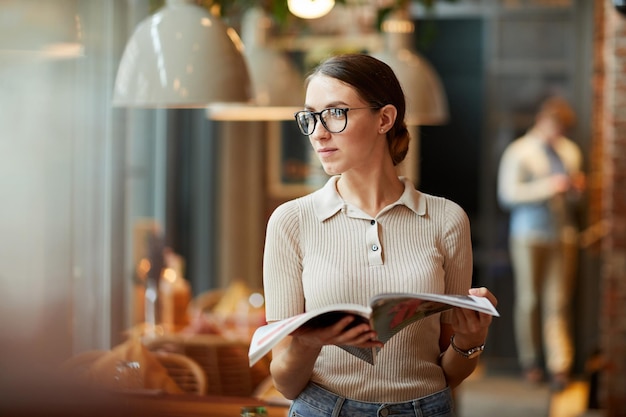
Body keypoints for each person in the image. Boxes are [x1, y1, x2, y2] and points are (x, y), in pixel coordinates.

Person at [262, 53, 497, 417]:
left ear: (384, 119)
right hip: (323, 408)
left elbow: (449, 374)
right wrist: (308, 343)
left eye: (336, 113)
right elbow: (286, 383)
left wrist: (470, 341)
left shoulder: (447, 219)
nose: (319, 132)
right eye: (310, 117)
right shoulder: (290, 222)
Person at [497, 96, 585, 390]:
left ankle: (560, 365)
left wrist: (574, 190)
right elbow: (507, 195)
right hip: (528, 235)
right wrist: (549, 187)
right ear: (542, 121)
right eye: (555, 127)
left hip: (562, 234)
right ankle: (531, 360)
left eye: (563, 129)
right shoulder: (520, 151)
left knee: (557, 303)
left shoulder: (570, 152)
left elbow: (574, 202)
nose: (558, 134)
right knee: (529, 300)